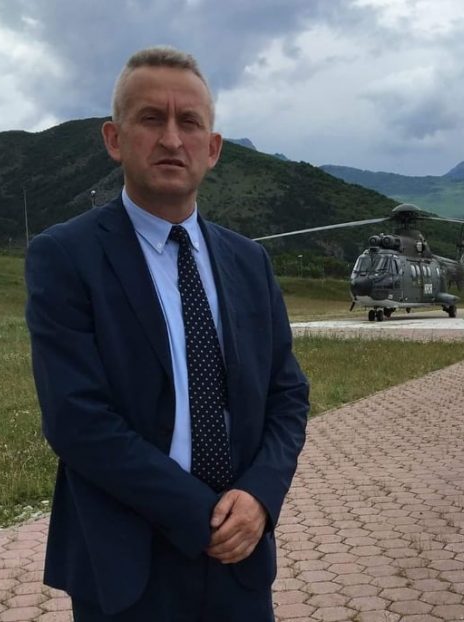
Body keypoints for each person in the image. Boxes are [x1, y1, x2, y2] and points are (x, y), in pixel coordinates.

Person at [25, 46, 310, 621]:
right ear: (114, 138)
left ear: (213, 147)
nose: (172, 139)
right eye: (151, 119)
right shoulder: (65, 256)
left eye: (190, 122)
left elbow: (287, 394)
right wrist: (199, 514)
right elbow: (77, 419)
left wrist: (259, 496)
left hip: (240, 556)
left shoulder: (249, 262)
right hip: (126, 559)